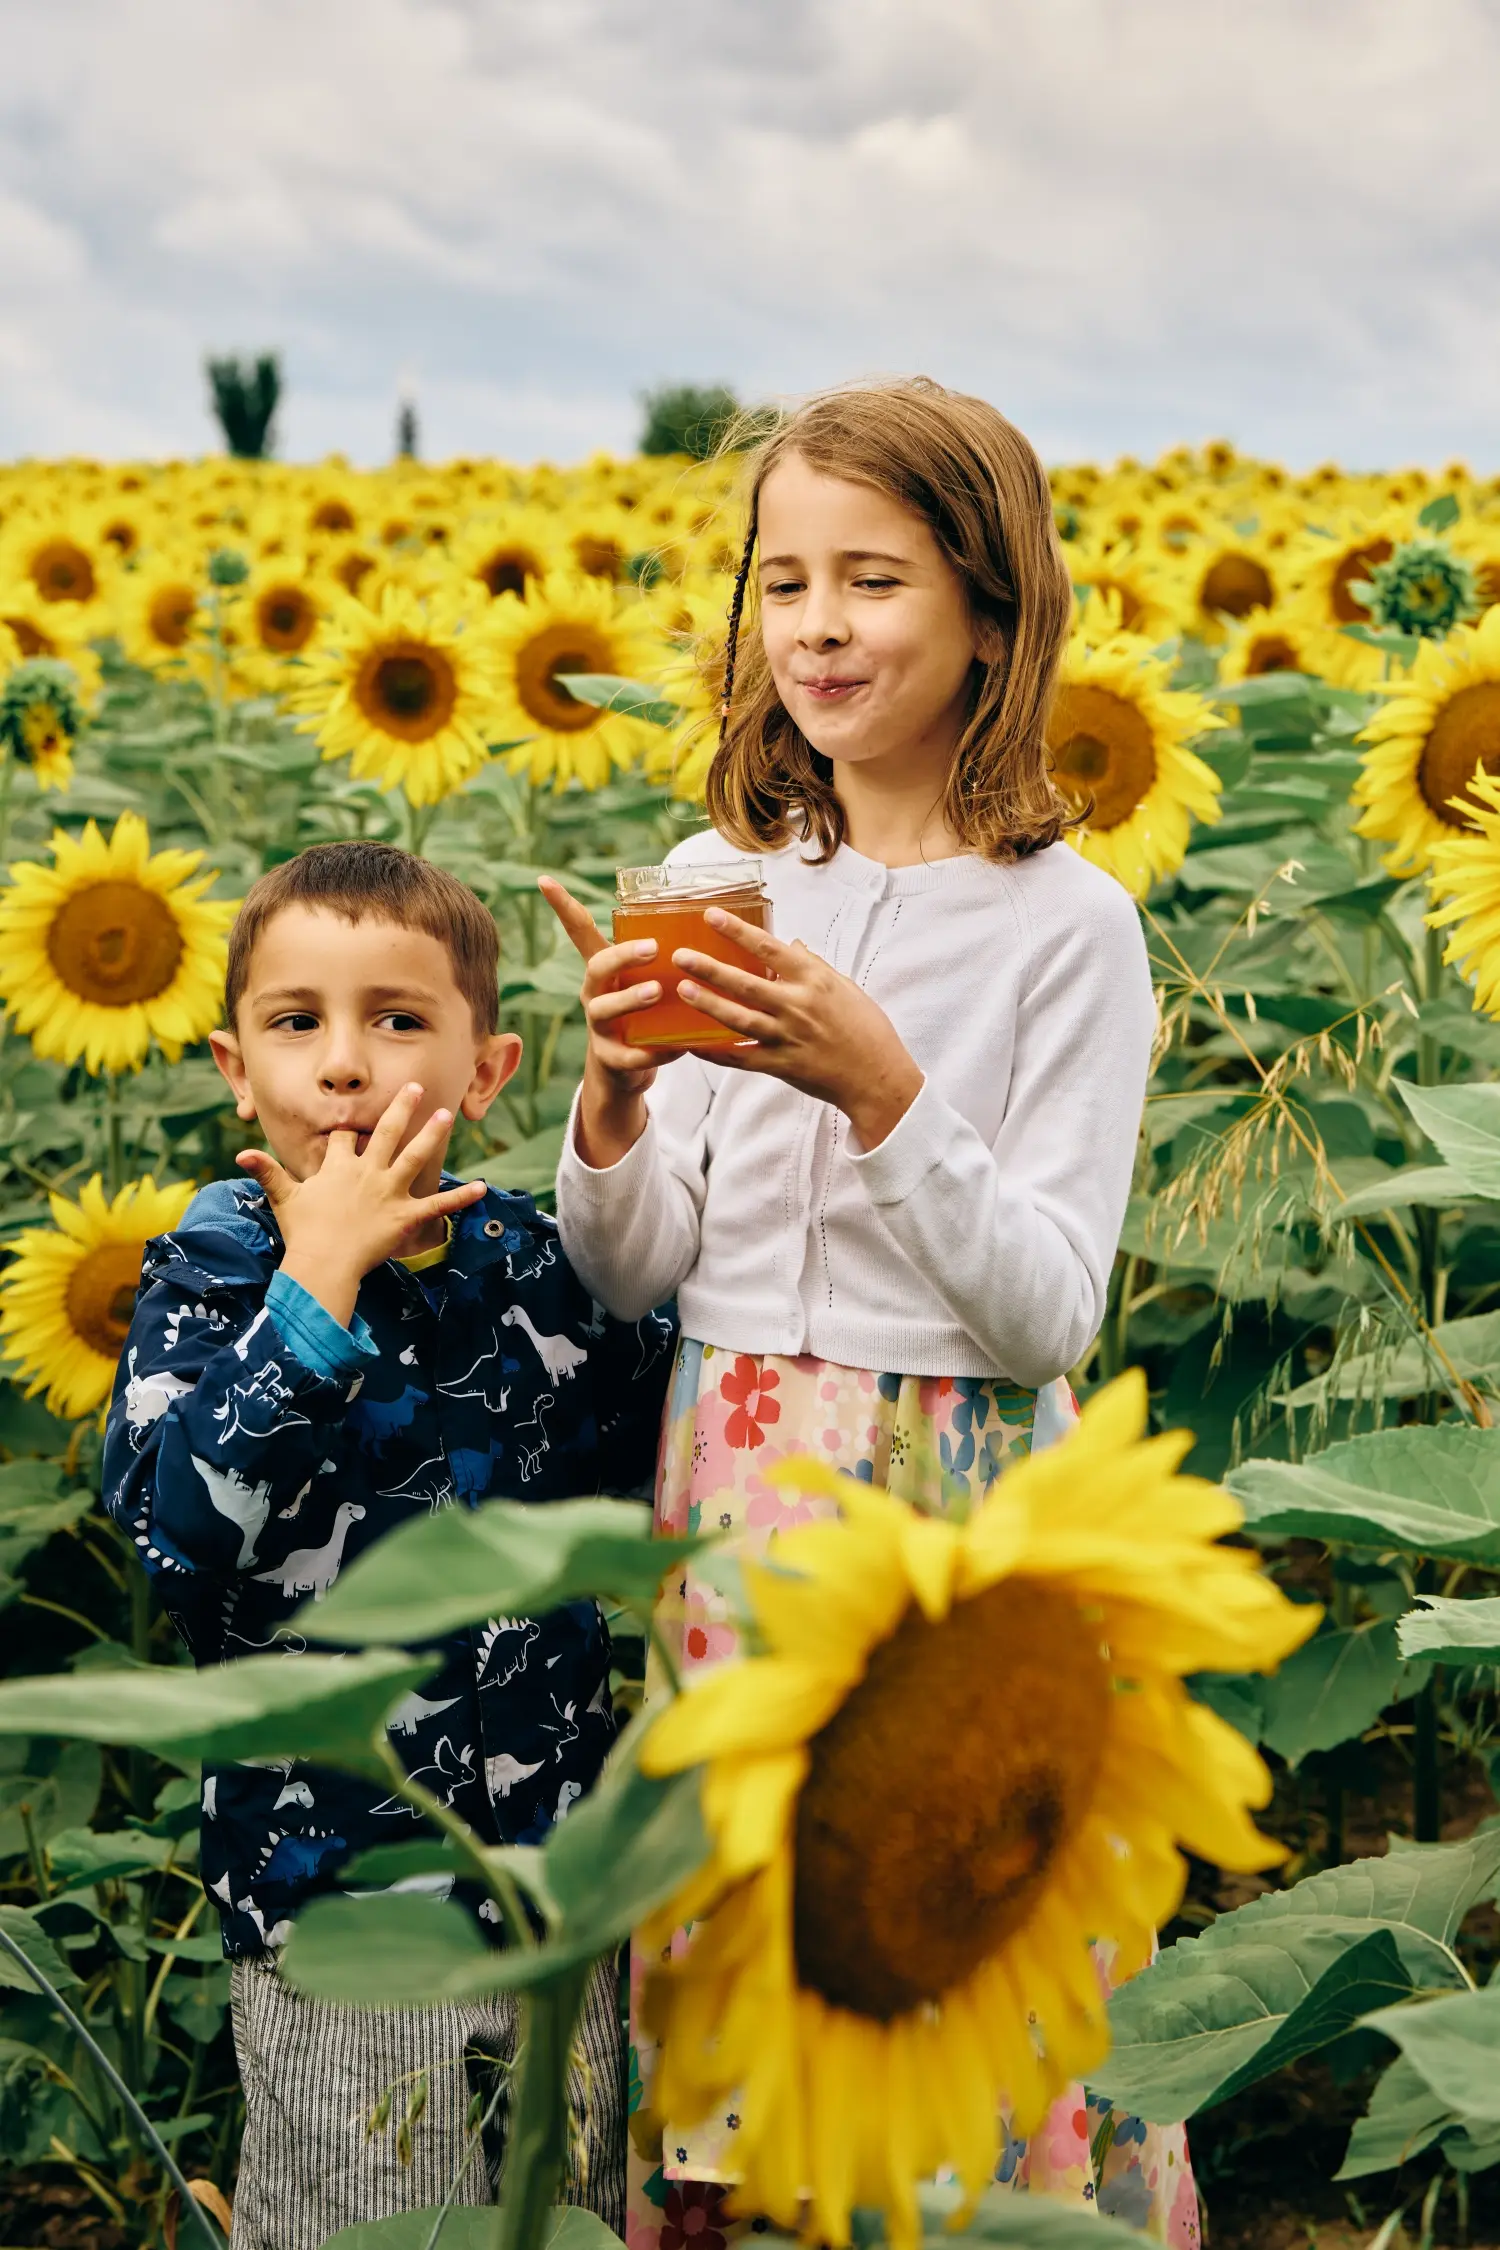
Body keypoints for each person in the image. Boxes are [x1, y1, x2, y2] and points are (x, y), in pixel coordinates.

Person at [543, 379, 1199, 2246]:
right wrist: (606, 1110)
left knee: (945, 1949)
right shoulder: (718, 883)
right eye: (785, 581)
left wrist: (881, 1089)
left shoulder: (1066, 925)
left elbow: (1048, 1310)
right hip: (735, 1476)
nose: (817, 627)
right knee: (756, 1951)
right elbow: (639, 1265)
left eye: (875, 581)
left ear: (994, 610)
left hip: (954, 1495)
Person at [102, 841, 674, 2250]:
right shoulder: (217, 1269)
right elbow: (175, 1534)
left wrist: (618, 1116)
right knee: (365, 2221)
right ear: (237, 1066)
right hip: (336, 1914)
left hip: (556, 1896)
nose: (344, 1066)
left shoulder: (534, 1263)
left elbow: (660, 1451)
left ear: (490, 1070)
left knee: (566, 2213)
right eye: (299, 1023)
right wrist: (317, 1285)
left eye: (399, 1019)